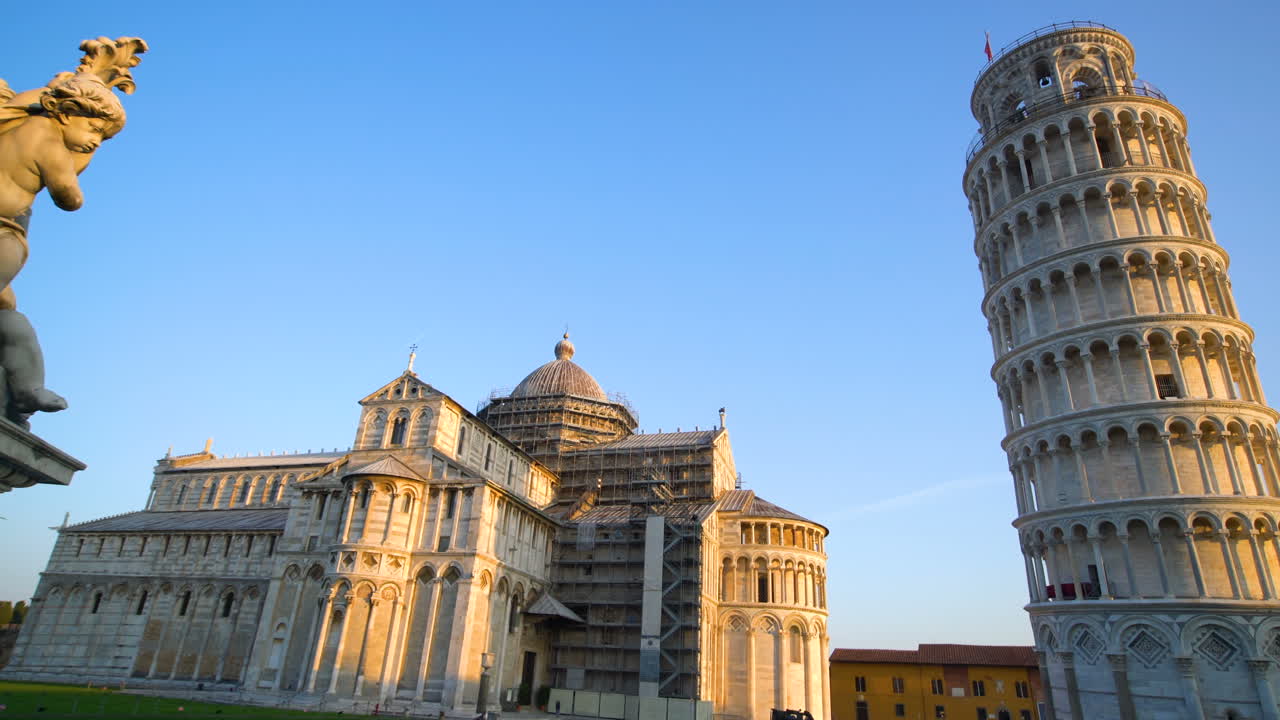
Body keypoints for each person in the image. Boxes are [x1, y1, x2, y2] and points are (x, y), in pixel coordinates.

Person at [0, 71, 128, 416]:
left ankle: (27, 389)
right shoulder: (46, 140)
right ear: (64, 113)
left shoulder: (17, 124)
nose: (96, 140)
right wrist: (79, 159)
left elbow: (18, 103)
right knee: (10, 322)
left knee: (8, 320)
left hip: (6, 234)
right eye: (95, 129)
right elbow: (70, 197)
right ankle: (28, 388)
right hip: (5, 236)